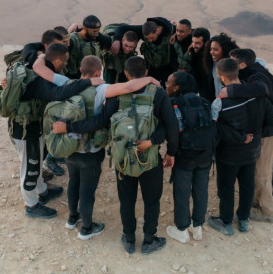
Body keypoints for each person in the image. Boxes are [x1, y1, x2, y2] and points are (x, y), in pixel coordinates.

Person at [52, 56, 178, 254]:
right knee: (151, 200)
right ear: (145, 73)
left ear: (126, 74)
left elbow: (102, 121)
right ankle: (149, 240)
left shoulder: (115, 94)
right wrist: (169, 151)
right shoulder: (158, 93)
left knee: (127, 200)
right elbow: (171, 125)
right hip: (150, 157)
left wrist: (68, 127)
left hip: (122, 157)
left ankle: (128, 239)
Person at [33, 55, 160, 240]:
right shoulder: (101, 89)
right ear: (97, 73)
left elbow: (39, 68)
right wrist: (148, 78)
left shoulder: (67, 83)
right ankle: (86, 228)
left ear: (80, 70)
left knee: (73, 183)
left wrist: (43, 54)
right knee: (87, 191)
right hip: (90, 152)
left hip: (68, 146)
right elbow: (129, 86)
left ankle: (71, 218)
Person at [7, 43, 102, 219]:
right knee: (30, 166)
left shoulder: (34, 60)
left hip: (33, 126)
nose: (65, 65)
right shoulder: (39, 78)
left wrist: (42, 54)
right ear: (58, 60)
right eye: (64, 61)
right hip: (26, 130)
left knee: (37, 160)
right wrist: (87, 82)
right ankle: (31, 205)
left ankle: (43, 191)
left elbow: (30, 47)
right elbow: (59, 93)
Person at [221, 48, 273, 223]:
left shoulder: (256, 78)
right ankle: (255, 205)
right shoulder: (259, 72)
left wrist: (231, 92)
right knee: (258, 172)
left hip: (268, 131)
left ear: (243, 65)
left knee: (262, 174)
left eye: (233, 62)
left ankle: (268, 212)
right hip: (265, 128)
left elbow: (262, 91)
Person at [208, 58, 267, 235]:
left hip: (229, 154)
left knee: (226, 187)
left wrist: (240, 138)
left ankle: (226, 222)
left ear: (222, 77)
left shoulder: (220, 103)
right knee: (247, 185)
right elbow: (269, 115)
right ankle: (243, 220)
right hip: (252, 152)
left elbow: (217, 128)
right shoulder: (256, 94)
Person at [164, 71, 215, 244]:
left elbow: (172, 133)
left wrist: (171, 153)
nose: (166, 85)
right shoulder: (204, 102)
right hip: (206, 154)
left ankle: (181, 229)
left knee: (182, 191)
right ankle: (197, 226)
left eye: (168, 82)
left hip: (185, 155)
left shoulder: (173, 104)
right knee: (201, 189)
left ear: (177, 87)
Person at [111, 17, 176, 86]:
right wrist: (117, 40)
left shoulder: (171, 30)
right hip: (152, 65)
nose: (150, 40)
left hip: (169, 66)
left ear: (157, 30)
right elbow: (122, 28)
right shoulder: (144, 29)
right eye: (147, 39)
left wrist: (175, 34)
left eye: (152, 38)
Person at [65, 15, 112, 79]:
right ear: (85, 28)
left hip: (90, 77)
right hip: (73, 78)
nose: (97, 34)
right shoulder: (72, 41)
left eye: (98, 31)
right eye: (94, 31)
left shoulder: (93, 36)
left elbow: (108, 41)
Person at [202, 32, 239, 101]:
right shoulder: (213, 63)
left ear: (225, 50)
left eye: (216, 50)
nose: (211, 52)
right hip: (218, 102)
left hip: (230, 103)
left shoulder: (233, 66)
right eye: (211, 49)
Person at [188, 27, 211, 99]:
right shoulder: (194, 51)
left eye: (197, 43)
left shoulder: (211, 56)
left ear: (206, 43)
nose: (194, 45)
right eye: (193, 42)